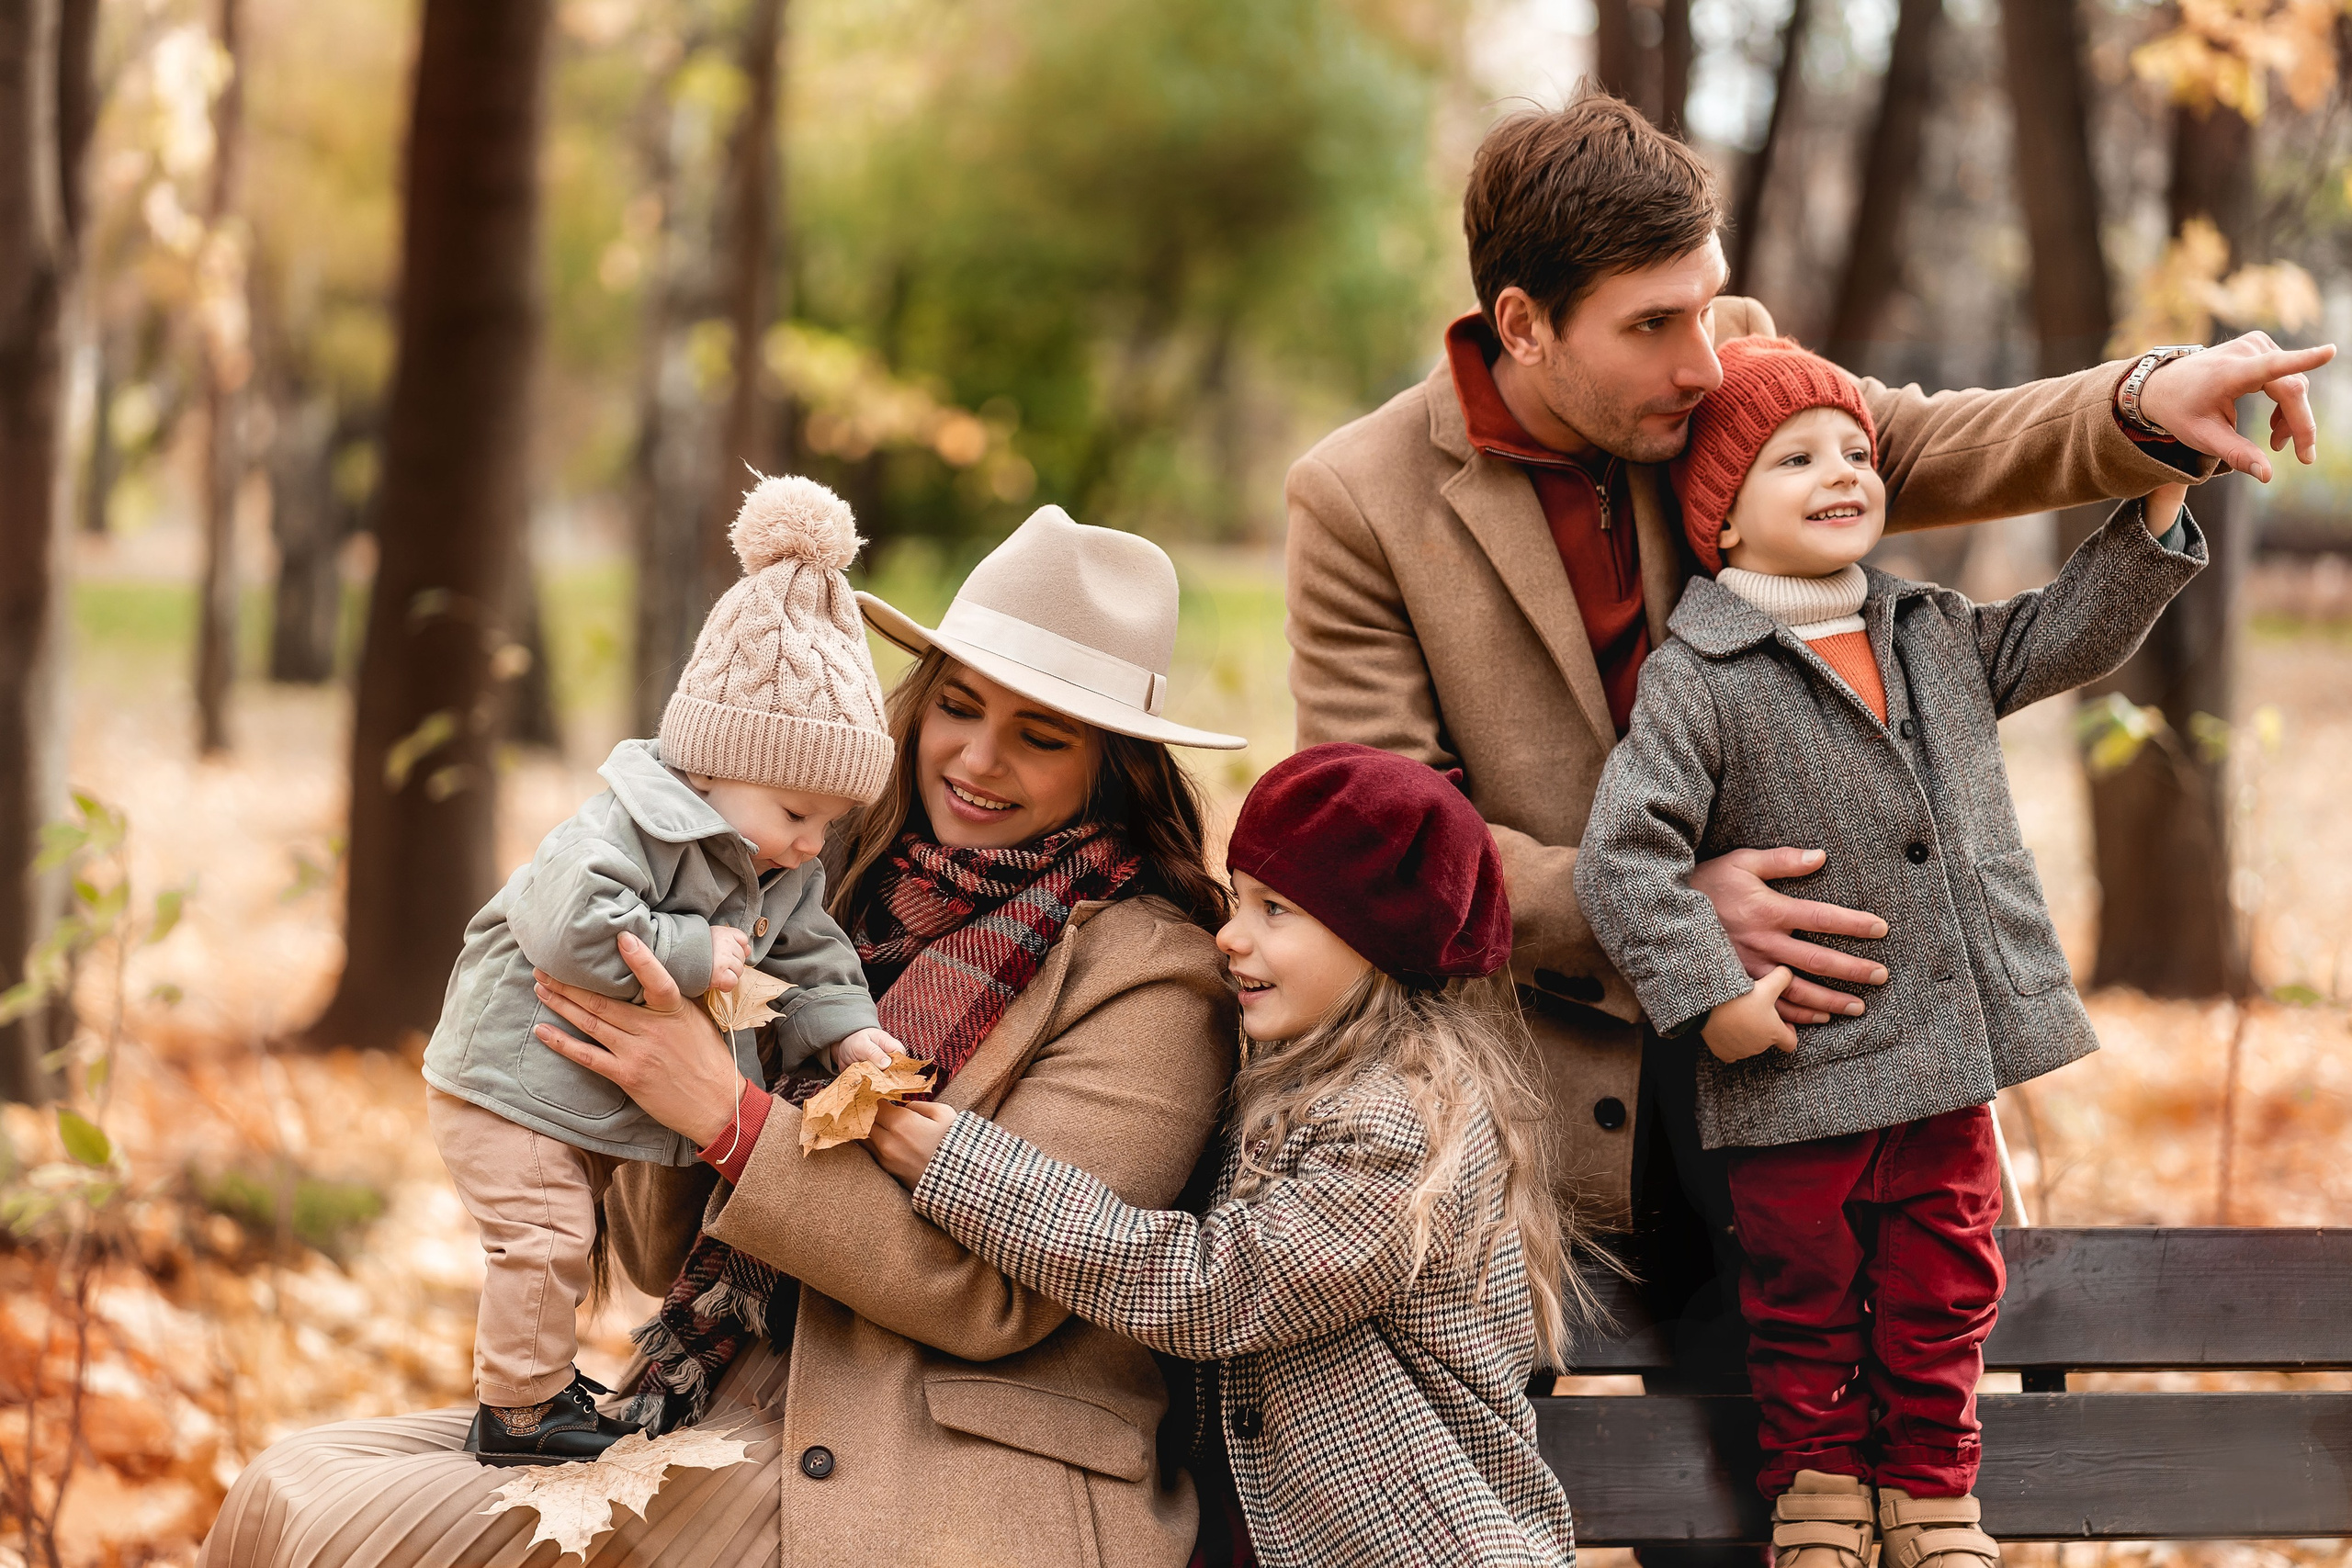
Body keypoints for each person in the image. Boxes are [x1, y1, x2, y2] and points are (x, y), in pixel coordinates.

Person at [1282, 91, 2331, 1258]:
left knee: (1847, 1410)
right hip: (1537, 1081)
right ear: (1522, 325)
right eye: (1650, 326)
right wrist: (1668, 911)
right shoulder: (1356, 499)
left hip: (1822, 1055)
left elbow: (1916, 441)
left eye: (1704, 304)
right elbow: (1393, 842)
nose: (1700, 363)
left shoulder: (1722, 356)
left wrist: (2141, 402)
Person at [199, 505, 1247, 1568]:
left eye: (1039, 734)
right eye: (959, 708)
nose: (976, 758)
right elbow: (665, 1258)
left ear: (1112, 765)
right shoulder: (821, 883)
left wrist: (728, 1115)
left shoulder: (1152, 977)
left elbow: (995, 1297)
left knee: (351, 1545)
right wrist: (654, 1005)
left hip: (947, 1468)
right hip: (721, 1399)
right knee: (289, 1488)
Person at [1572, 337, 2200, 1568]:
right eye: (1795, 456)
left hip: (1945, 1047)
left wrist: (2156, 508)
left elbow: (2063, 636)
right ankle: (1816, 1485)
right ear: (1724, 522)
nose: (1841, 471)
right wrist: (1712, 999)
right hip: (1794, 1062)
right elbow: (1619, 858)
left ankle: (1928, 1485)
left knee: (1945, 1273)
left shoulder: (1929, 629)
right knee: (1802, 1286)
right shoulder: (1702, 676)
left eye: (1856, 451)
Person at [869, 742, 1580, 1568]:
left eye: (1276, 909)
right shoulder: (1304, 1077)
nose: (1230, 935)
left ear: (1375, 937)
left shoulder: (1400, 1125)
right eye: (1239, 898)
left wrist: (965, 1169)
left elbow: (1206, 1287)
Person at [421, 473, 906, 1464]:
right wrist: (693, 953)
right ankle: (516, 1414)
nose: (813, 844)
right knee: (545, 1239)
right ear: (712, 769)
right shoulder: (622, 824)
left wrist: (849, 1030)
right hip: (502, 1081)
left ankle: (544, 1386)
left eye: (828, 823)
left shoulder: (775, 864)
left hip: (569, 1093)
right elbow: (565, 927)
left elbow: (810, 959)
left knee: (562, 1243)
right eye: (796, 814)